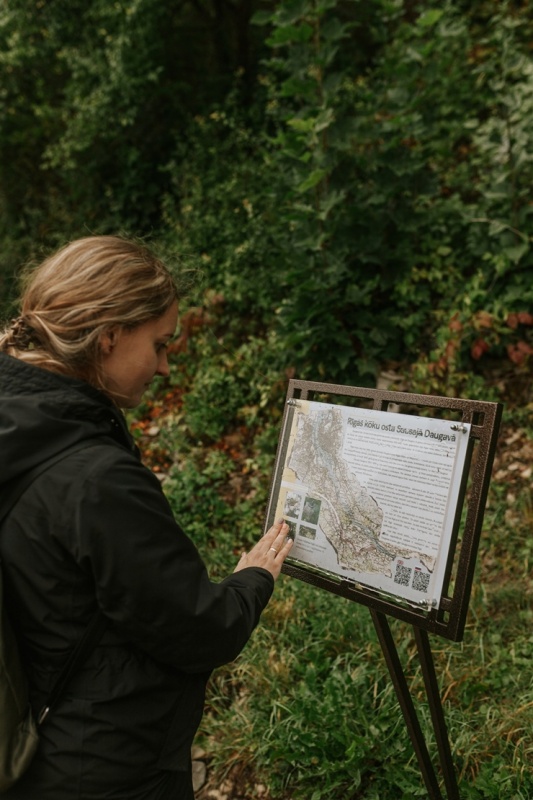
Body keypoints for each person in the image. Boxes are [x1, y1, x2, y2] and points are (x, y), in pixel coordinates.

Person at [0, 235, 293, 800]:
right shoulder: (93, 478)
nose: (164, 364)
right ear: (109, 336)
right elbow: (199, 628)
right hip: (110, 761)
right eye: (159, 344)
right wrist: (253, 578)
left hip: (35, 736)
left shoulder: (20, 424)